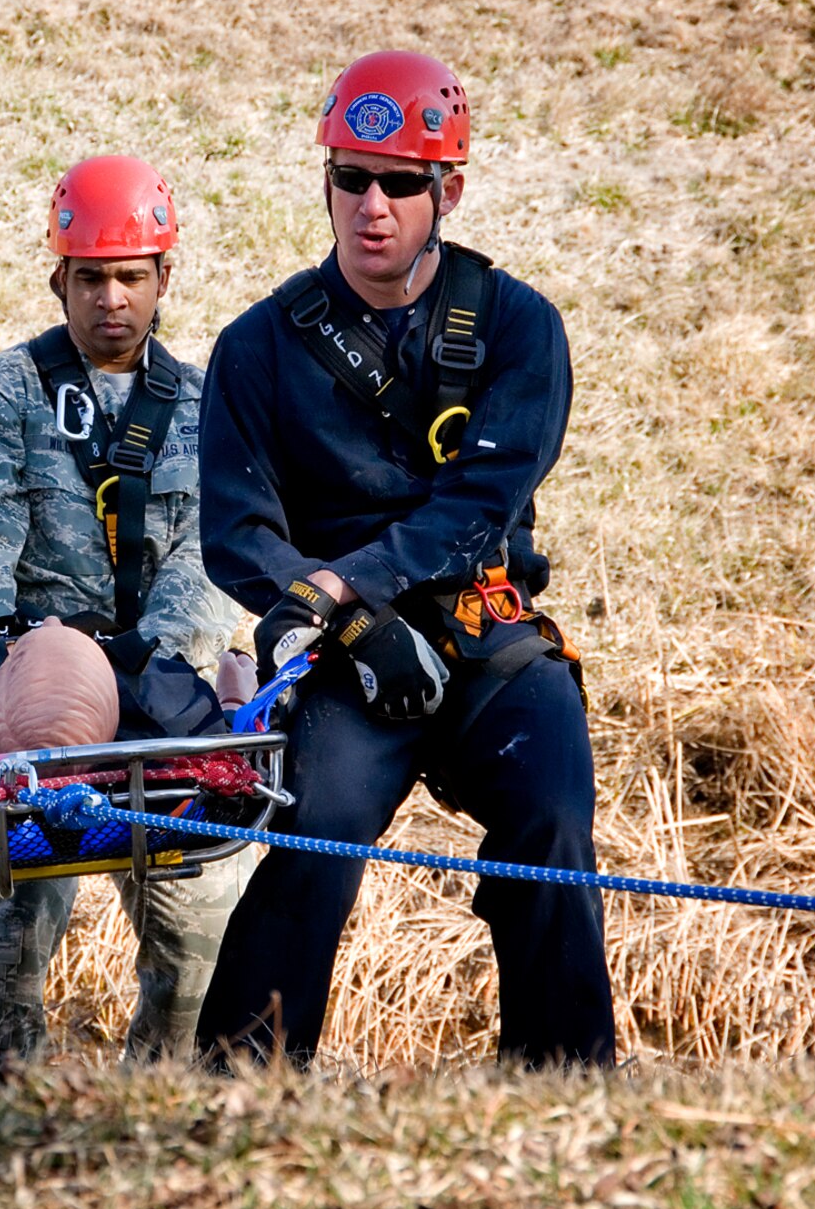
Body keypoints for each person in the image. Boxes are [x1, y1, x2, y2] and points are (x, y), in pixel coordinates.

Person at [193, 51, 616, 1068]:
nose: (370, 205)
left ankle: (564, 1087)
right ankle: (234, 1086)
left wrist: (353, 580)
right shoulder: (257, 349)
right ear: (325, 180)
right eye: (349, 177)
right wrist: (345, 615)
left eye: (397, 183)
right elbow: (237, 533)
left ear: (448, 192)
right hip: (345, 652)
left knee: (550, 819)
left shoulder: (518, 328)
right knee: (315, 835)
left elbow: (480, 503)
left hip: (484, 632)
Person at [0, 156, 247, 1066]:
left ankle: (168, 1095)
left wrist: (150, 661)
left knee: (200, 923)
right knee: (8, 925)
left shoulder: (206, 407)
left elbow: (216, 549)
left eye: (132, 276)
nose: (112, 298)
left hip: (157, 692)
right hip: (34, 698)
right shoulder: (2, 394)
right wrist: (6, 668)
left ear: (164, 279)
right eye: (92, 276)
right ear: (58, 277)